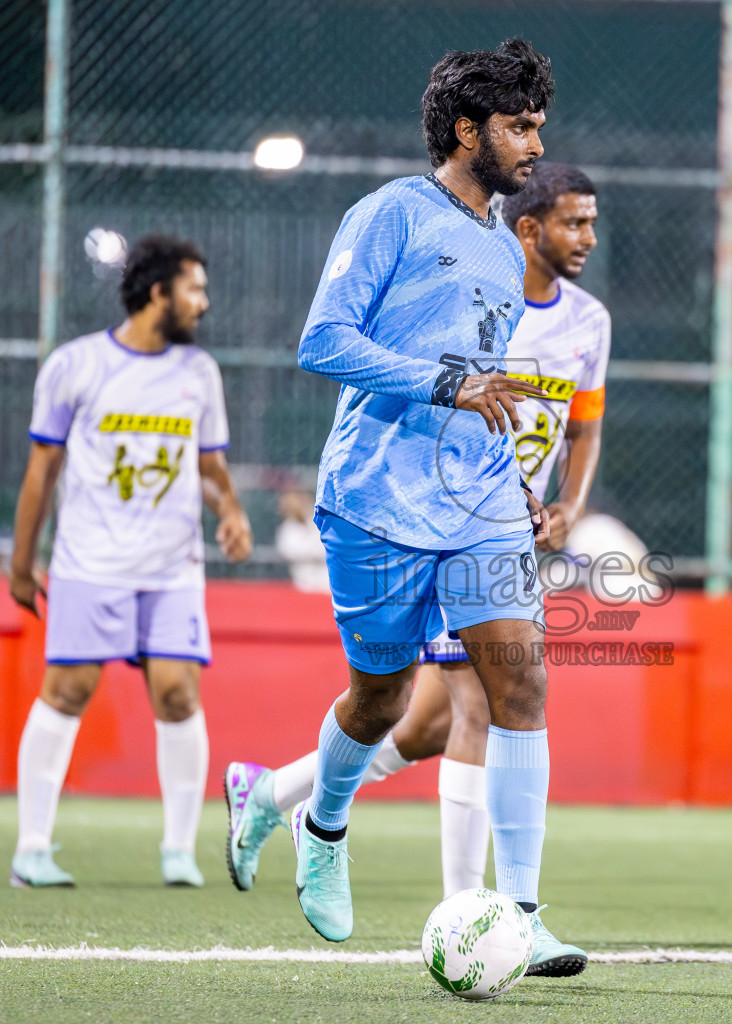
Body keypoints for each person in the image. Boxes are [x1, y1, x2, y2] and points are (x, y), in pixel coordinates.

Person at [222, 39, 586, 975]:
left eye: (538, 126)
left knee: (522, 687)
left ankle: (523, 910)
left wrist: (507, 462)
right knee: (380, 697)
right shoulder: (390, 214)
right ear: (467, 129)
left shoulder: (508, 251)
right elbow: (323, 342)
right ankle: (324, 825)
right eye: (519, 126)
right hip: (378, 500)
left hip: (481, 508)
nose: (534, 144)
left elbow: (483, 384)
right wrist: (446, 385)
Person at [6, 234, 253, 889]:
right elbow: (41, 472)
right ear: (157, 294)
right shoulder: (75, 365)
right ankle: (31, 850)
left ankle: (178, 852)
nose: (204, 302)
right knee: (68, 690)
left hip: (172, 571)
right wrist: (21, 562)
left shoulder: (198, 373)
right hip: (90, 565)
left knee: (178, 694)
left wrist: (228, 509)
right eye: (194, 289)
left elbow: (209, 467)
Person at [275, 488, 330, 593]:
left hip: (326, 582)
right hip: (302, 583)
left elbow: (326, 548)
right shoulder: (287, 529)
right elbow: (289, 552)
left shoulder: (319, 523)